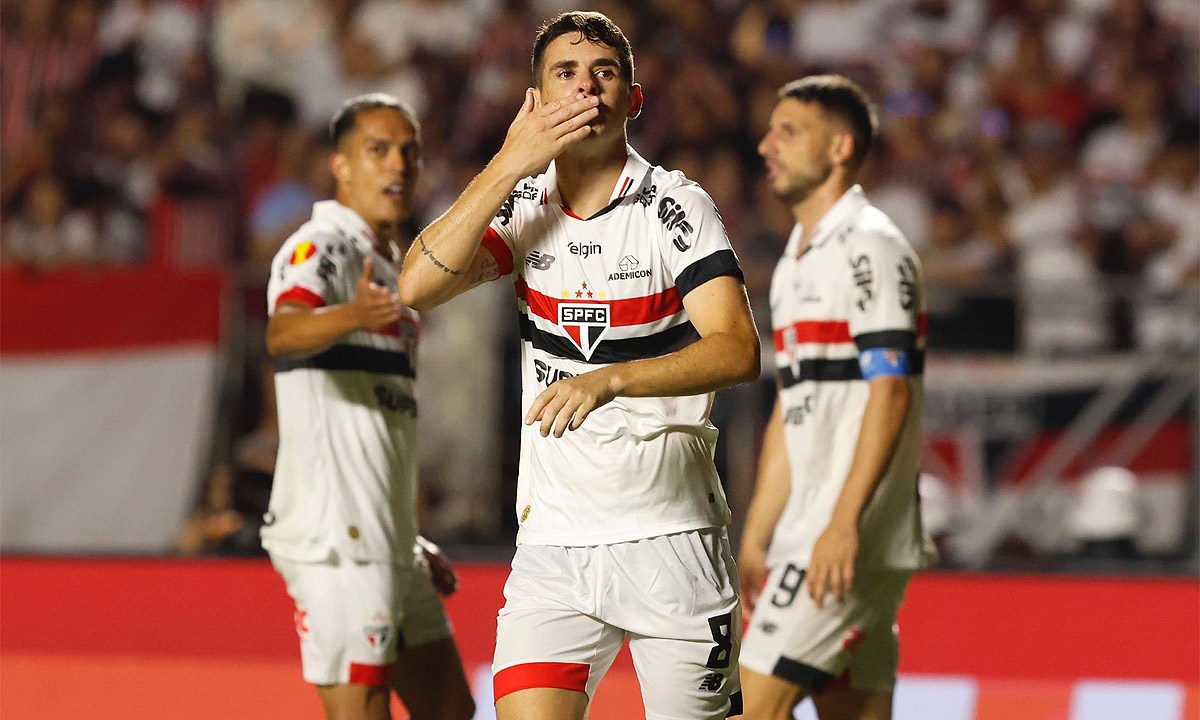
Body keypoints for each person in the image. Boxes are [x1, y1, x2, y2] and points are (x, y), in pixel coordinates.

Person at [396, 11, 760, 720]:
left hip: (672, 539)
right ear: (535, 102)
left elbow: (736, 348)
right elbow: (416, 285)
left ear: (633, 99)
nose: (586, 88)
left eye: (604, 73)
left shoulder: (674, 208)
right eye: (564, 74)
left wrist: (609, 378)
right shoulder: (525, 206)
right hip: (554, 548)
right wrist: (508, 162)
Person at [262, 93, 475, 720]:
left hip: (387, 536)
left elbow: (381, 424)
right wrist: (352, 314)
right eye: (377, 150)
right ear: (341, 165)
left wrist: (407, 530)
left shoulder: (390, 268)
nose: (398, 166)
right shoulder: (322, 247)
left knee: (451, 710)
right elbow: (282, 332)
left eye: (408, 152)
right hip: (336, 539)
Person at [738, 76, 934, 720]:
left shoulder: (871, 247)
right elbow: (794, 412)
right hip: (817, 529)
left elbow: (891, 392)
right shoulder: (797, 259)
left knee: (743, 707)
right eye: (770, 129)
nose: (768, 144)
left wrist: (842, 522)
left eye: (789, 131)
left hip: (844, 532)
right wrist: (758, 533)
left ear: (841, 147)